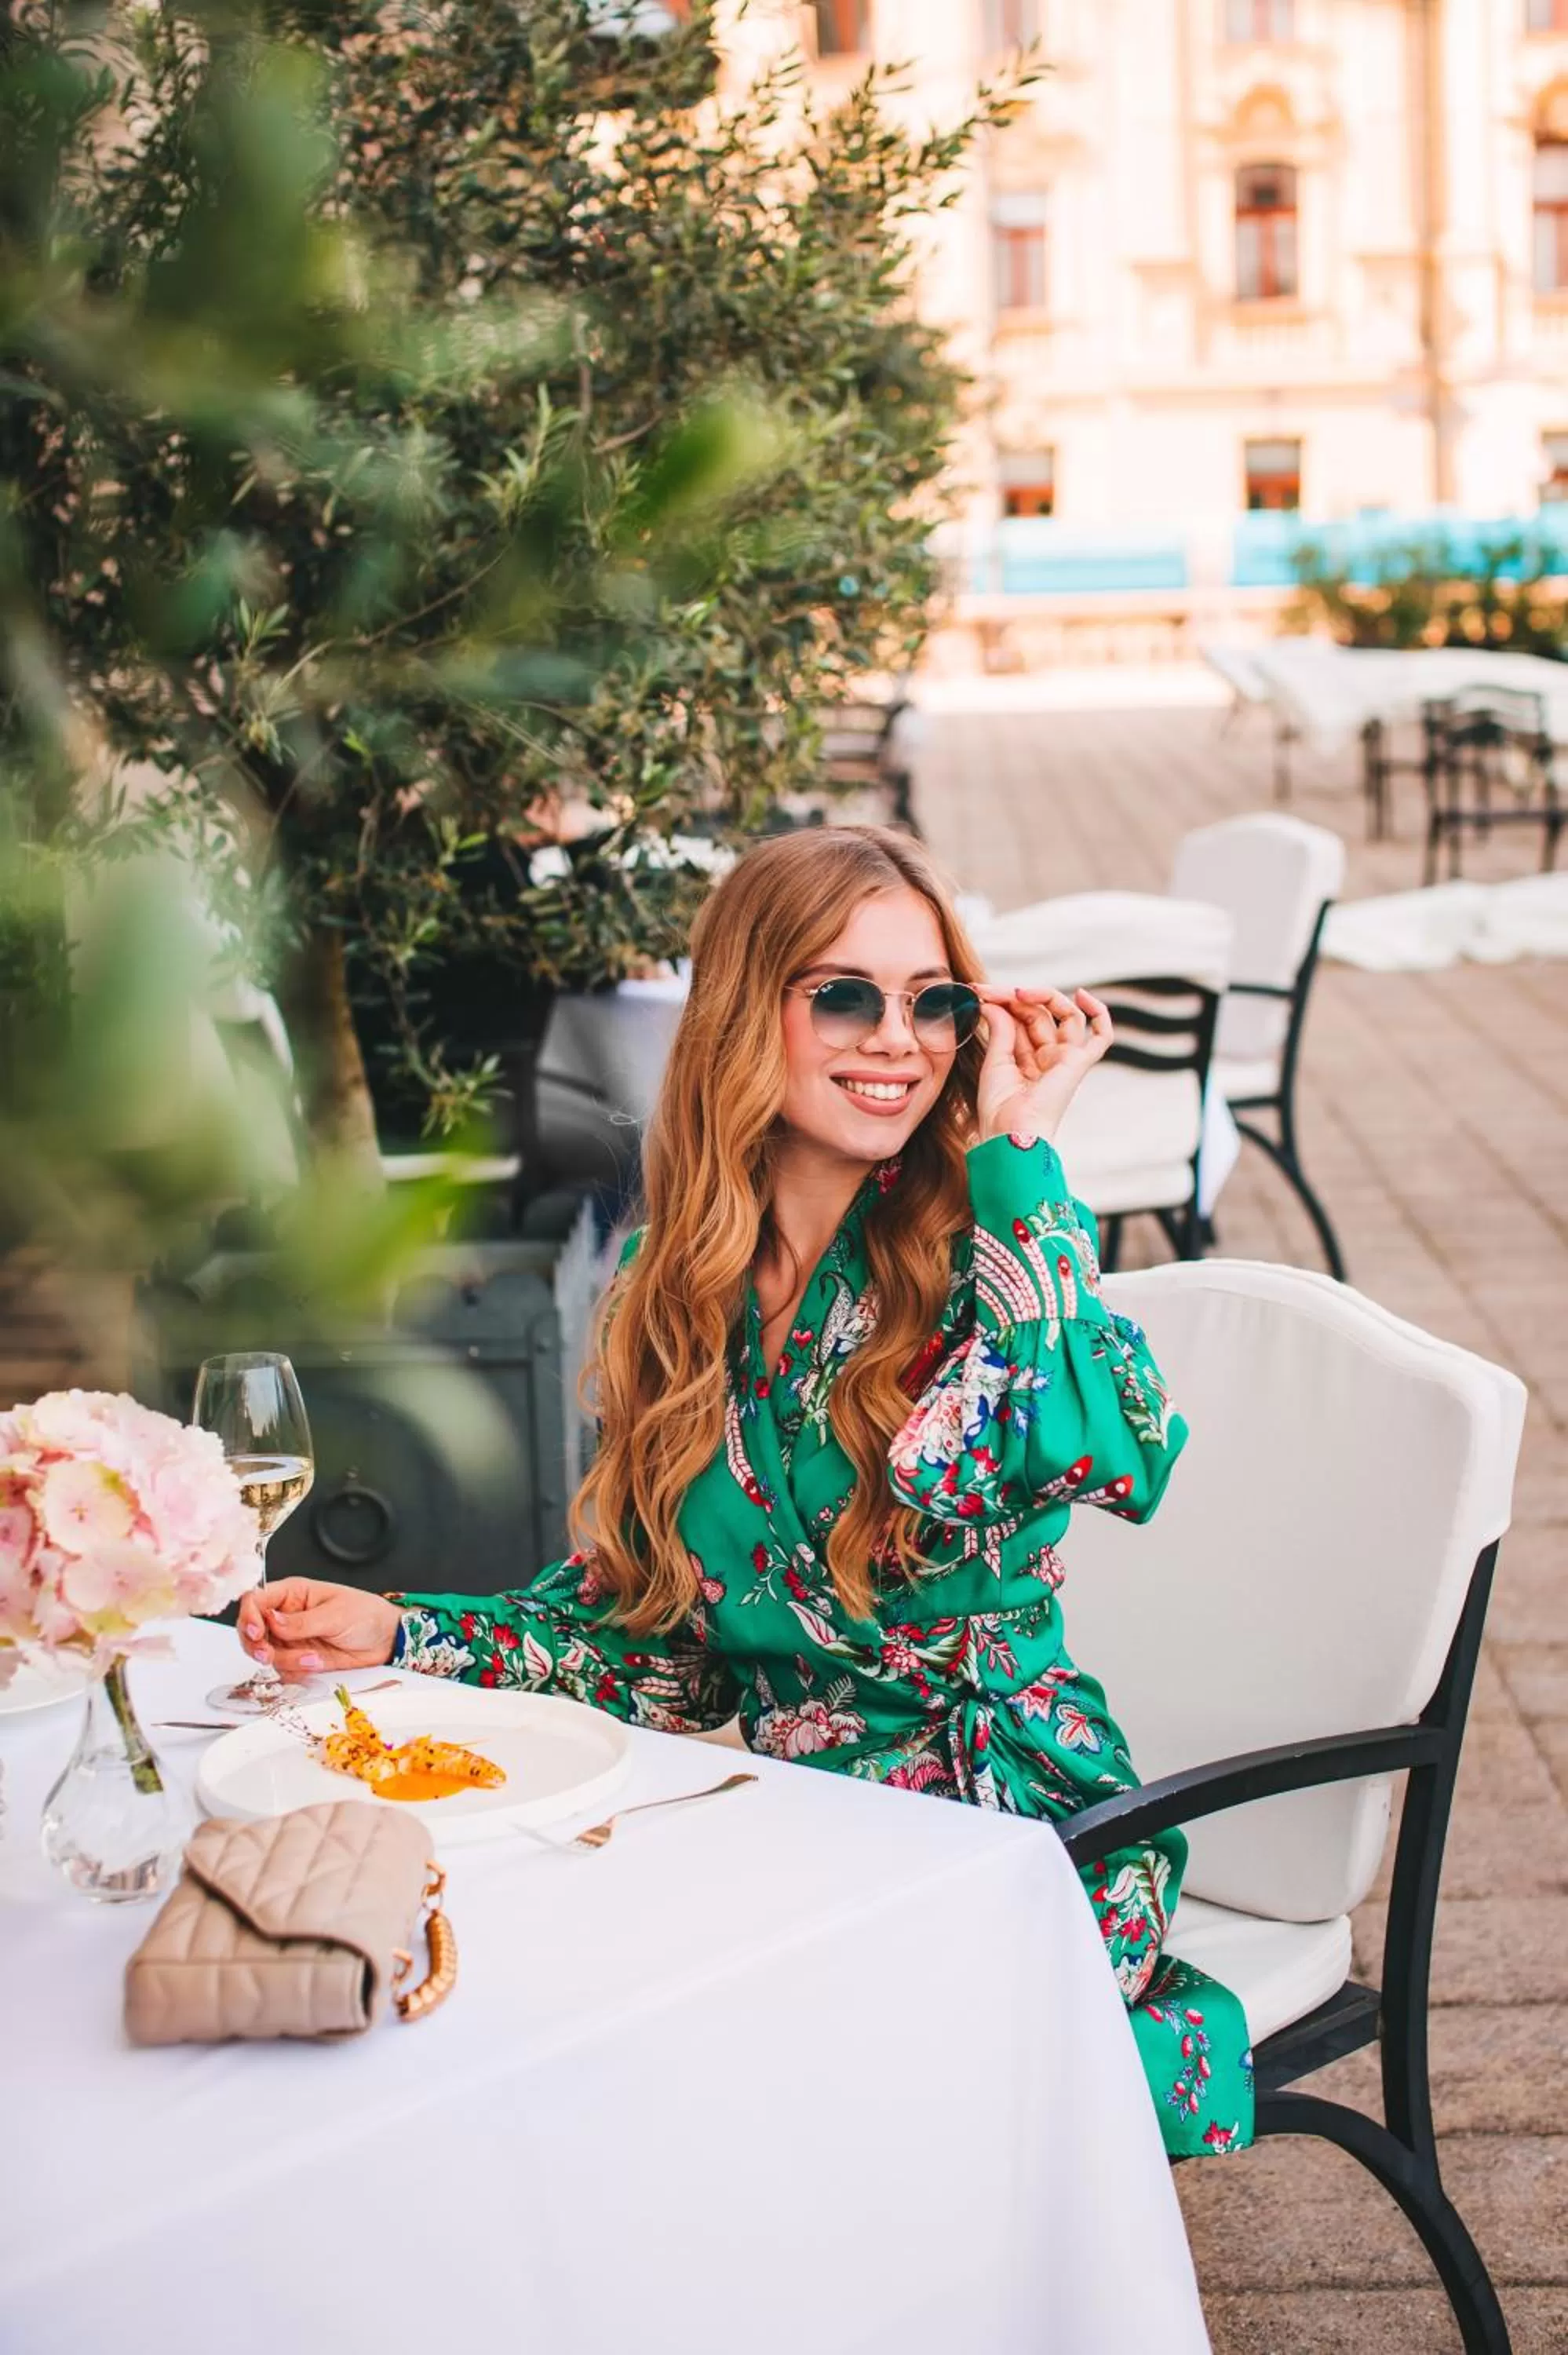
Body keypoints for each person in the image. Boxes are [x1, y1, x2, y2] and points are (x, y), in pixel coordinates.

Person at [242, 825, 1253, 2159]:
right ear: (740, 1008)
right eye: (842, 994)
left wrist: (1021, 1146)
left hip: (1014, 1835)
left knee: (707, 2073)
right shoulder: (679, 1276)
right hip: (804, 1827)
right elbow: (662, 1650)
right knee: (506, 1997)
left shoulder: (988, 1249)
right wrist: (402, 1632)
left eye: (931, 1002)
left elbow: (1075, 1448)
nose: (894, 1038)